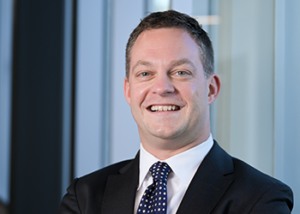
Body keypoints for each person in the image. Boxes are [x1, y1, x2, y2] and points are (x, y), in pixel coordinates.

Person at [57, 10, 293, 214]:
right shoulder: (85, 196)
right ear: (128, 91)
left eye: (180, 72)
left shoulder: (261, 198)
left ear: (211, 89)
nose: (162, 88)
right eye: (145, 74)